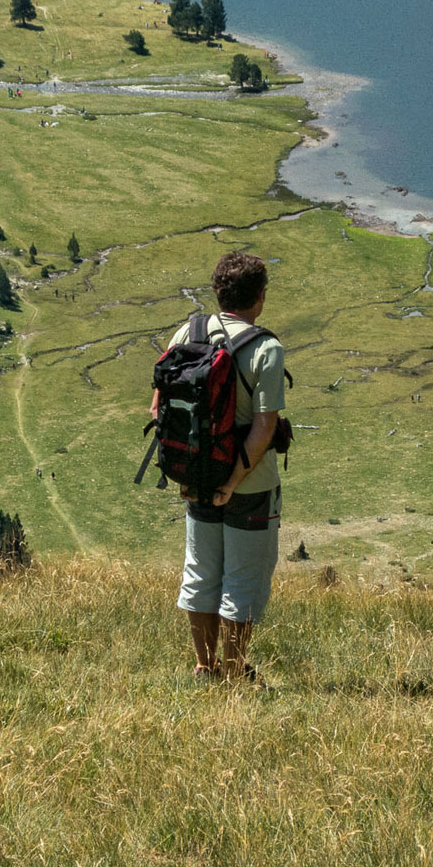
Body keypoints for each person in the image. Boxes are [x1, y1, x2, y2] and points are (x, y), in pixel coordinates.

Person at [159, 251, 285, 685]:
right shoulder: (266, 348)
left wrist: (186, 468)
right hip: (249, 486)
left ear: (218, 292)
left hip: (197, 478)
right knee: (243, 579)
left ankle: (203, 665)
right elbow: (265, 426)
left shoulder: (187, 332)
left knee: (201, 571)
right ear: (260, 297)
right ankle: (233, 669)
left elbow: (159, 406)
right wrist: (232, 482)